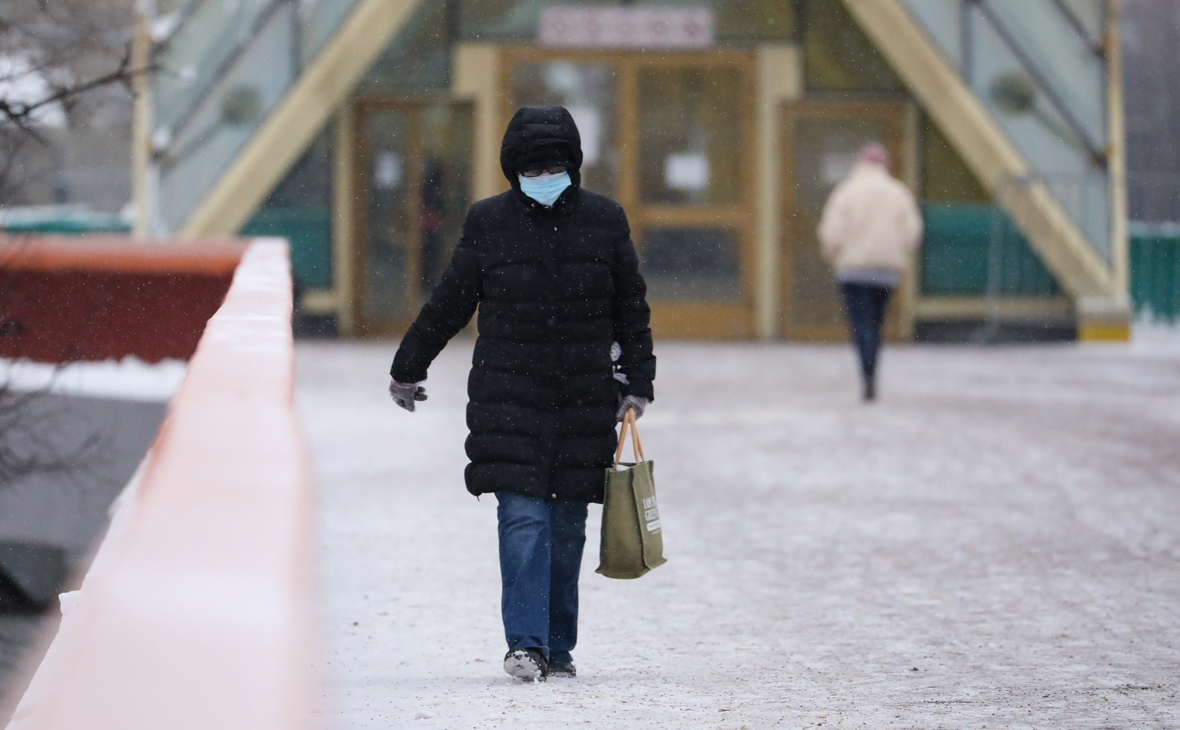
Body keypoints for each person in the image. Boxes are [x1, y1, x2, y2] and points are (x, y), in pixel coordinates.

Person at [386, 106, 656, 682]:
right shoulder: (489, 223)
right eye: (533, 166)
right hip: (508, 397)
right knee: (524, 519)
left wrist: (637, 382)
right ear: (513, 169)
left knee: (566, 527)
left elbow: (630, 308)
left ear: (573, 165)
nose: (544, 175)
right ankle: (527, 644)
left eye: (554, 164)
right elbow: (451, 302)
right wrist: (408, 366)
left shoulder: (605, 221)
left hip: (584, 399)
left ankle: (558, 646)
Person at [817, 142, 923, 402]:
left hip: (852, 271)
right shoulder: (898, 192)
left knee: (860, 323)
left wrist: (833, 254)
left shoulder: (846, 192)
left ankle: (866, 371)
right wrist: (901, 253)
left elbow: (832, 231)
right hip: (886, 272)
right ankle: (872, 367)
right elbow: (913, 231)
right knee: (876, 322)